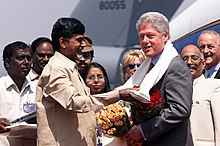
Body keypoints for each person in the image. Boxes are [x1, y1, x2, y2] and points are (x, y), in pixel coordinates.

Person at [36, 17, 134, 146]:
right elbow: (74, 102)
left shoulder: (69, 68)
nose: (83, 45)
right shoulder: (56, 69)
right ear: (63, 43)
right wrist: (117, 95)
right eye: (79, 40)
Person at [118, 12, 193, 146]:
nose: (145, 41)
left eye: (150, 36)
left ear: (165, 36)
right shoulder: (147, 66)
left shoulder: (175, 66)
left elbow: (179, 109)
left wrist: (143, 130)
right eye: (142, 37)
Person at [180, 44, 220, 146]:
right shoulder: (174, 89)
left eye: (194, 58)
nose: (189, 62)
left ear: (203, 64)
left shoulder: (214, 86)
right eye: (185, 58)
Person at [0, 41, 35, 133]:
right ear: (8, 62)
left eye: (29, 58)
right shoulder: (1, 87)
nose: (26, 62)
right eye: (21, 58)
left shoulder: (37, 90)